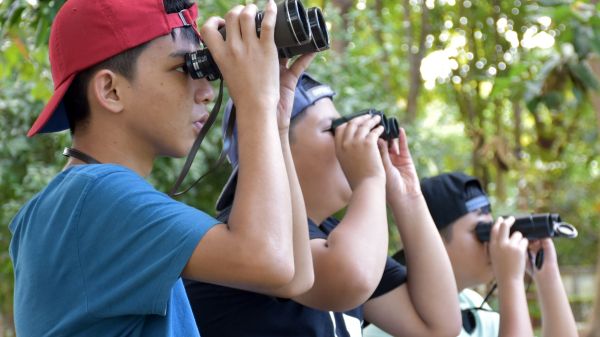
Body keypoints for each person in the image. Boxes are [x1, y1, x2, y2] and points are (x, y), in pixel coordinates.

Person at [8, 0, 316, 335]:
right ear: (111, 90)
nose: (206, 92)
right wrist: (256, 101)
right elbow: (269, 261)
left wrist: (276, 124)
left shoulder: (74, 202)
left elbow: (294, 277)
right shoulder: (97, 196)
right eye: (184, 68)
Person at [185, 73, 461, 337]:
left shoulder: (334, 237)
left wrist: (408, 195)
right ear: (277, 147)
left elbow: (438, 326)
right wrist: (369, 180)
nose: (351, 142)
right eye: (333, 129)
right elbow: (349, 280)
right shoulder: (253, 231)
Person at [365, 172, 578, 337]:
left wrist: (546, 276)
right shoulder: (396, 316)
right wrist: (510, 280)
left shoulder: (470, 305)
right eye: (481, 232)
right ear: (432, 242)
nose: (493, 243)